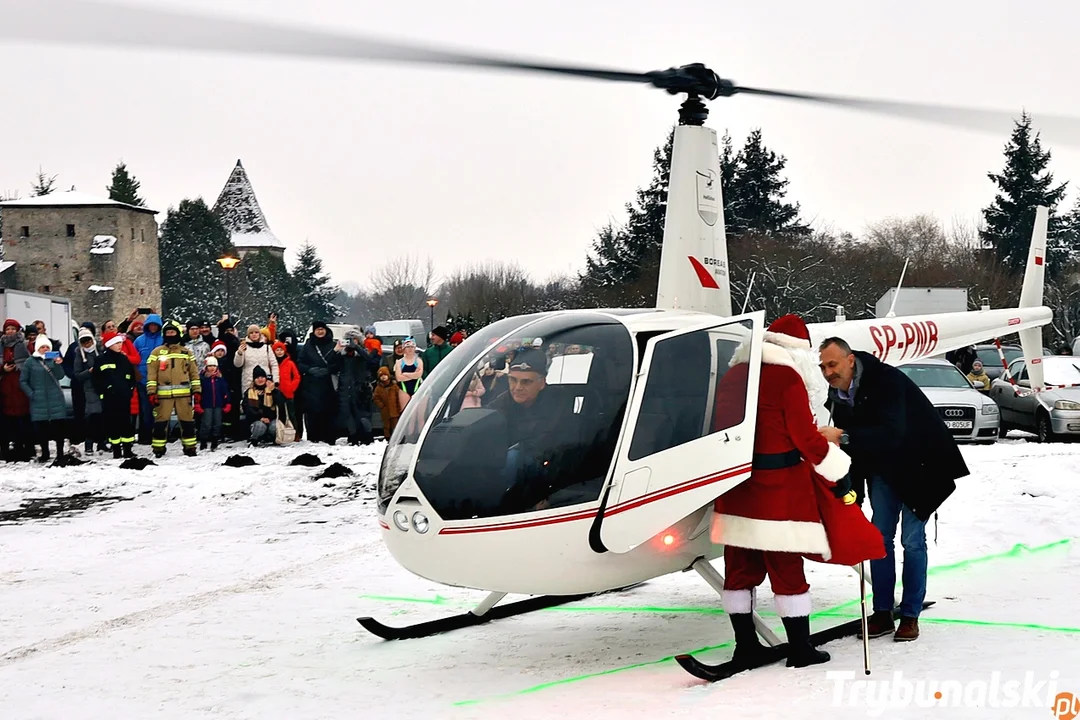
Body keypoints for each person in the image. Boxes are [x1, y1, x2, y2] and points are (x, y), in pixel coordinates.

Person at [711, 315, 884, 668]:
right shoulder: (786, 376)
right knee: (785, 567)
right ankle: (800, 649)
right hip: (779, 489)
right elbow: (804, 438)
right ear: (797, 351)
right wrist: (839, 469)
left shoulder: (734, 374)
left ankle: (744, 646)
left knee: (739, 568)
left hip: (737, 487)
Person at [818, 336, 968, 642]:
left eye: (833, 364)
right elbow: (854, 453)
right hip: (883, 470)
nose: (828, 371)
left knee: (912, 541)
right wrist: (853, 492)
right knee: (879, 539)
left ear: (850, 360)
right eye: (823, 367)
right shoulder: (837, 396)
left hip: (921, 467)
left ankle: (910, 614)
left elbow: (892, 433)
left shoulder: (885, 381)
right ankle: (883, 613)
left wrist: (843, 436)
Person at [147, 321, 201, 457]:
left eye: (173, 332)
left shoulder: (186, 352)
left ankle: (190, 447)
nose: (170, 334)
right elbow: (151, 373)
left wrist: (197, 391)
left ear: (178, 333)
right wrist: (152, 392)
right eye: (167, 332)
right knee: (161, 422)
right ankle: (158, 448)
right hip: (163, 396)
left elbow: (194, 373)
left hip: (184, 395)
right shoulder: (156, 352)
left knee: (187, 422)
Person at [20, 334, 68, 462]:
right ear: (37, 348)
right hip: (38, 400)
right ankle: (45, 453)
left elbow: (60, 376)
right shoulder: (30, 362)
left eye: (47, 346)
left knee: (59, 428)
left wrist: (58, 364)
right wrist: (31, 394)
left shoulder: (53, 359)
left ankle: (60, 454)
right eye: (42, 347)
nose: (45, 349)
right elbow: (23, 380)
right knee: (42, 429)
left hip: (55, 399)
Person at [93, 332, 137, 459]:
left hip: (124, 398)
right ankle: (116, 450)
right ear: (109, 344)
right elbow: (97, 379)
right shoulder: (100, 360)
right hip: (109, 399)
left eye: (120, 343)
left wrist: (129, 390)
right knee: (112, 424)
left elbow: (131, 376)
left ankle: (128, 450)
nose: (120, 345)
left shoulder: (124, 359)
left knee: (126, 424)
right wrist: (103, 392)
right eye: (117, 343)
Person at [244, 366, 281, 445]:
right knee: (260, 426)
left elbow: (281, 403)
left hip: (271, 419)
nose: (260, 379)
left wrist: (274, 391)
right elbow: (248, 409)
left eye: (262, 377)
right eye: (257, 378)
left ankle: (273, 438)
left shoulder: (271, 390)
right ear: (254, 380)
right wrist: (260, 417)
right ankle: (254, 439)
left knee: (274, 426)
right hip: (257, 420)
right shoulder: (249, 392)